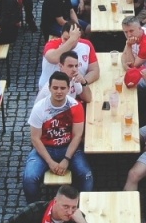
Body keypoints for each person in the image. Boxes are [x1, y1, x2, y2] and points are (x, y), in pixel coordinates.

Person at [22, 70, 93, 200]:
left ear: (68, 89)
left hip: (68, 147)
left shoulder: (76, 106)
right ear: (49, 88)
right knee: (29, 178)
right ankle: (36, 209)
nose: (59, 91)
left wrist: (66, 159)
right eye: (55, 88)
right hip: (45, 149)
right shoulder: (39, 108)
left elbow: (77, 136)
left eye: (62, 88)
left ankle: (81, 207)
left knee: (86, 174)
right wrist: (50, 162)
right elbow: (35, 138)